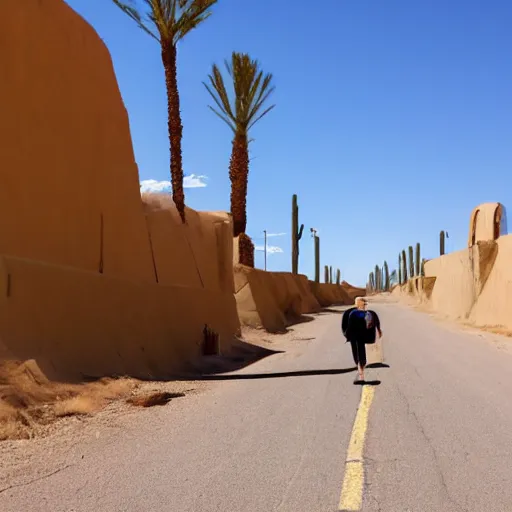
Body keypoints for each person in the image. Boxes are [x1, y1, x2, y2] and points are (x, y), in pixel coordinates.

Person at [345, 297, 382, 383]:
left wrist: (347, 336)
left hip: (356, 337)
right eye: (364, 304)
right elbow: (376, 322)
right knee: (361, 355)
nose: (364, 305)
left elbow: (349, 326)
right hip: (360, 337)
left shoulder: (354, 313)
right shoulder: (368, 313)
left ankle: (361, 374)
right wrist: (379, 330)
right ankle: (361, 373)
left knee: (358, 356)